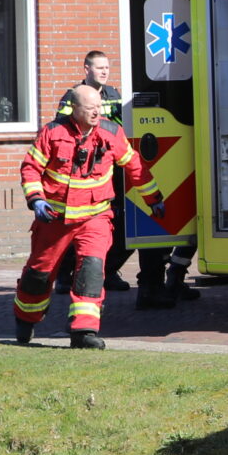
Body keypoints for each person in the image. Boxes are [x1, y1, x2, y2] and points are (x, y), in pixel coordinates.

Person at [15, 83, 153, 350]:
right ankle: (26, 318)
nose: (96, 113)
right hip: (54, 219)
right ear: (75, 109)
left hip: (95, 217)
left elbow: (134, 166)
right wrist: (36, 199)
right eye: (90, 108)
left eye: (98, 107)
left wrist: (154, 198)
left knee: (91, 271)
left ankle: (83, 332)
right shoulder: (52, 133)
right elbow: (30, 168)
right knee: (39, 273)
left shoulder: (111, 132)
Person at [58, 52, 132, 291]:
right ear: (86, 69)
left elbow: (123, 128)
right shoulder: (73, 96)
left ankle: (108, 271)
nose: (104, 71)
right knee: (77, 226)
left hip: (111, 171)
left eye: (107, 67)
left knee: (118, 225)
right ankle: (64, 276)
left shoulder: (114, 95)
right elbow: (62, 132)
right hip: (82, 173)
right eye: (99, 67)